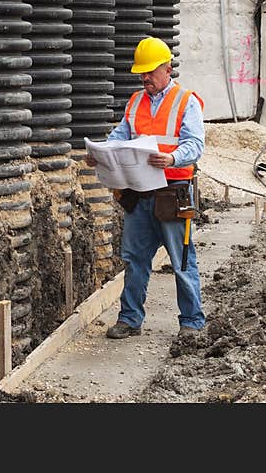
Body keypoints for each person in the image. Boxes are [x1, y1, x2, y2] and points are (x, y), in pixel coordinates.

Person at [85, 36, 206, 339]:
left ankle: (191, 322)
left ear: (167, 68)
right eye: (142, 72)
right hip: (139, 195)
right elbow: (120, 135)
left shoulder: (185, 101)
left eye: (151, 72)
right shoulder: (136, 101)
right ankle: (130, 319)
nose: (145, 78)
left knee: (181, 261)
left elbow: (195, 144)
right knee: (134, 259)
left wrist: (173, 157)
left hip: (173, 193)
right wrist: (101, 154)